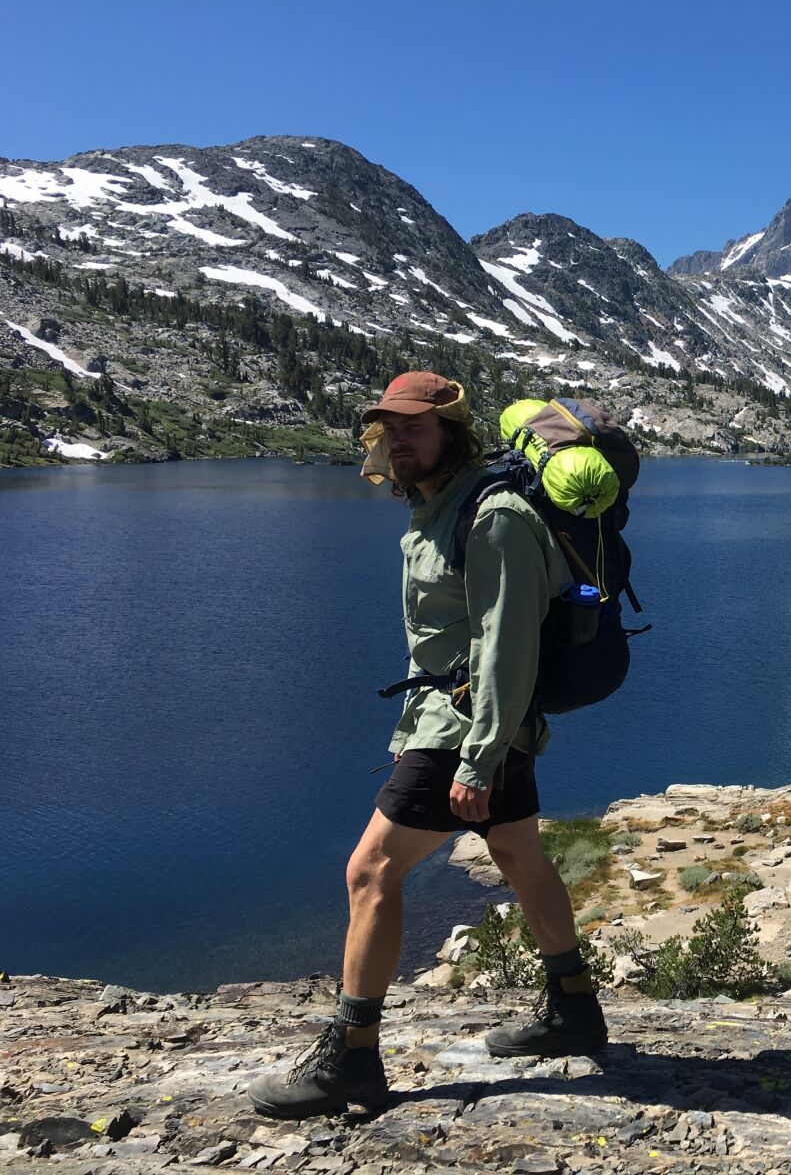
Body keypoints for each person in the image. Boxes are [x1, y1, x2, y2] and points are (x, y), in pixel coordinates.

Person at [248, 371, 607, 1119]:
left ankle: (352, 1055)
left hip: (468, 728)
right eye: (389, 428)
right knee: (518, 855)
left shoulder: (492, 516)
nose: (398, 440)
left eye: (415, 426)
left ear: (454, 431)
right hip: (474, 723)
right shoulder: (438, 505)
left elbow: (507, 648)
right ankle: (573, 1007)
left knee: (369, 871)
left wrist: (480, 758)